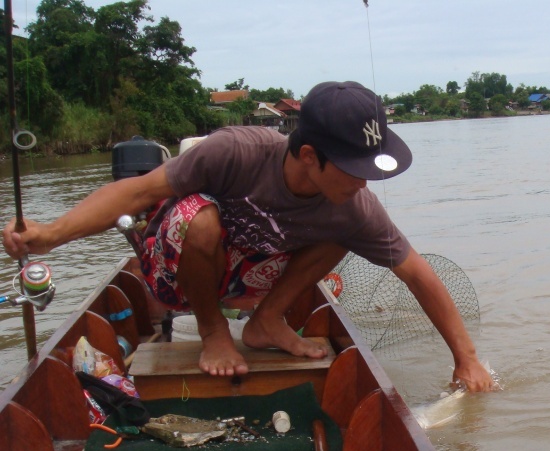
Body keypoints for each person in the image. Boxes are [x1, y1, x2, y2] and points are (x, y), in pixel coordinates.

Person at [3, 81, 495, 392]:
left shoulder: (354, 204)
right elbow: (135, 192)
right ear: (308, 156)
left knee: (344, 231)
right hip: (175, 274)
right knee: (201, 219)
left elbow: (416, 272)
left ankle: (266, 322)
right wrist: (51, 234)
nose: (362, 183)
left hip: (251, 277)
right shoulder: (234, 152)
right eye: (351, 169)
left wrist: (467, 360)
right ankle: (216, 333)